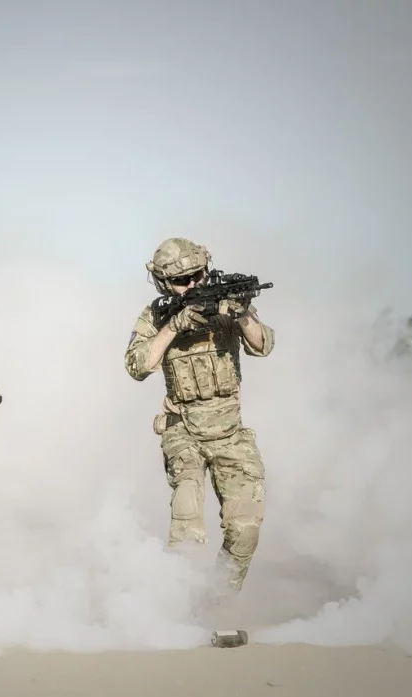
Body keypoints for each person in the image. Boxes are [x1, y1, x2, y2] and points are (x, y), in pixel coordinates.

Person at [123, 237, 275, 592]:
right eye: (182, 280)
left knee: (246, 529)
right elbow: (137, 366)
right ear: (163, 282)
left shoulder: (226, 302)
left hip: (231, 432)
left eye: (198, 275)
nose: (193, 284)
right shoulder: (156, 315)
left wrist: (240, 314)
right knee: (187, 518)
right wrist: (174, 327)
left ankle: (218, 603)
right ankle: (178, 602)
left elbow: (263, 345)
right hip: (184, 429)